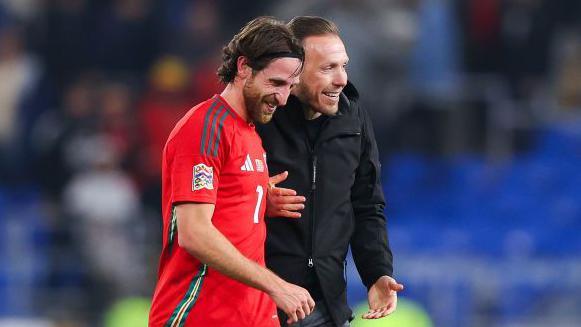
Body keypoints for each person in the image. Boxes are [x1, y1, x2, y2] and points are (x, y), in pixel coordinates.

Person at [149, 17, 315, 327]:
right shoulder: (205, 128)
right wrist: (277, 286)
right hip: (201, 313)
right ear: (243, 67)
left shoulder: (249, 133)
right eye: (276, 83)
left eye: (290, 87)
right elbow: (194, 233)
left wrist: (257, 201)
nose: (282, 98)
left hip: (252, 316)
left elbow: (226, 205)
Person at [257, 16, 404, 327]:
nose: (341, 79)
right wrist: (256, 201)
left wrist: (377, 272)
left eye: (343, 65)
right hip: (262, 304)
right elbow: (216, 206)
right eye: (328, 68)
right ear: (293, 75)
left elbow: (366, 205)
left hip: (326, 305)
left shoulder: (354, 118)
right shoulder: (259, 118)